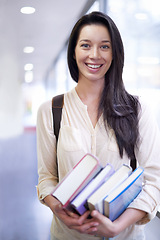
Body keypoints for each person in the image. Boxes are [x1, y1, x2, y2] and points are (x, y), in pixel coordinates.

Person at [36, 11, 160, 240]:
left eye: (104, 46)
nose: (94, 55)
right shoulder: (51, 110)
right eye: (85, 45)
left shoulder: (138, 110)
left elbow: (154, 180)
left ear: (115, 53)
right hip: (67, 235)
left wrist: (116, 227)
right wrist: (59, 211)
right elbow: (46, 178)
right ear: (73, 52)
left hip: (125, 236)